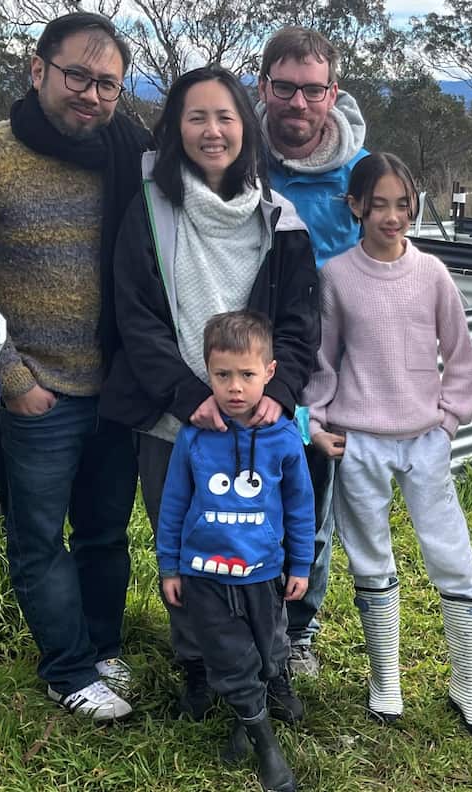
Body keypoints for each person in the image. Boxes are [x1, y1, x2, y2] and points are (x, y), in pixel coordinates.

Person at [0, 12, 151, 721]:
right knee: (37, 540)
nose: (91, 95)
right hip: (39, 394)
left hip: (116, 387)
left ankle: (99, 644)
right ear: (38, 71)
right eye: (77, 77)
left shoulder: (133, 155)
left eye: (107, 84)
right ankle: (68, 668)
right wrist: (14, 382)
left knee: (104, 533)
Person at [97, 65, 320, 722]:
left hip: (263, 423)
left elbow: (302, 321)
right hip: (175, 419)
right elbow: (135, 315)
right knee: (190, 543)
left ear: (245, 128)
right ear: (175, 129)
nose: (211, 130)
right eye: (196, 117)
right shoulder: (149, 209)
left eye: (224, 116)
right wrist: (186, 394)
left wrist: (279, 390)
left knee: (262, 543)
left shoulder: (281, 217)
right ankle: (196, 662)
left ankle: (267, 665)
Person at [304, 152, 472, 737]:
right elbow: (323, 358)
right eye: (380, 204)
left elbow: (461, 356)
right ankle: (385, 678)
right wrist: (316, 422)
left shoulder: (434, 274)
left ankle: (468, 683)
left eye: (403, 204)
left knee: (452, 556)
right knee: (370, 558)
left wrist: (449, 421)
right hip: (358, 438)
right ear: (356, 207)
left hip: (424, 440)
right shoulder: (336, 275)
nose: (393, 216)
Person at [156, 311, 313, 792]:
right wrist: (170, 565)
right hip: (205, 572)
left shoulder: (284, 435)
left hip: (263, 573)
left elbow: (301, 506)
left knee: (267, 656)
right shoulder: (194, 435)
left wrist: (300, 563)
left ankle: (244, 724)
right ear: (207, 372)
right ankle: (268, 749)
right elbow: (174, 503)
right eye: (223, 375)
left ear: (269, 372)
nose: (235, 387)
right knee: (231, 659)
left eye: (247, 374)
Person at [254, 27, 369, 676]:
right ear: (264, 85)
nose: (299, 103)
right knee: (243, 499)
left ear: (333, 92)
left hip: (323, 378)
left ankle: (299, 630)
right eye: (286, 87)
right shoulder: (234, 156)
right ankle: (242, 619)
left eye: (313, 89)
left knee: (310, 504)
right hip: (243, 368)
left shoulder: (359, 171)